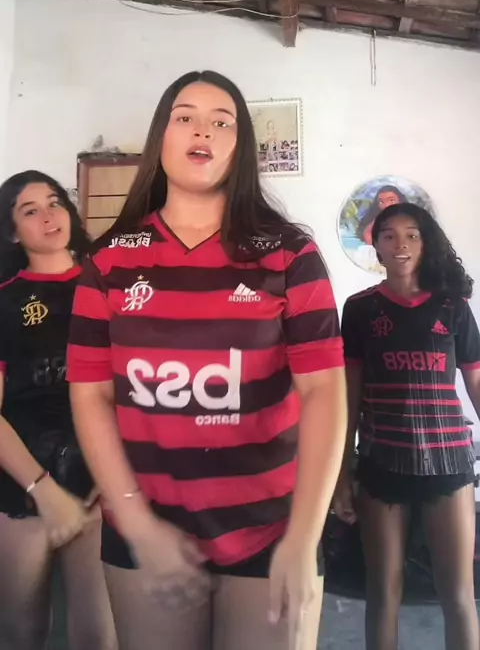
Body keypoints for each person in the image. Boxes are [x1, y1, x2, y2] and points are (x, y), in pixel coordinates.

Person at [67, 70, 347, 650]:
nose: (203, 131)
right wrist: (138, 525)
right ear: (161, 138)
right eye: (186, 117)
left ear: (241, 147)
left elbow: (324, 391)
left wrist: (304, 535)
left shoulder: (290, 254)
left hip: (269, 528)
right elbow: (91, 395)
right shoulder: (109, 261)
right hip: (145, 530)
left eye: (223, 122)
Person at [335, 202, 480, 650]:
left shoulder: (453, 307)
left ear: (425, 243)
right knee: (383, 592)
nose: (401, 244)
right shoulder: (360, 309)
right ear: (376, 246)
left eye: (412, 235)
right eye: (389, 236)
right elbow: (349, 394)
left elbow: (475, 382)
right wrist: (342, 473)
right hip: (382, 466)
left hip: (449, 465)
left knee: (458, 595)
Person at [0, 171, 117, 650]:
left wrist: (111, 476)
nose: (49, 216)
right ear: (12, 232)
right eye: (30, 211)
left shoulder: (110, 287)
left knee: (99, 636)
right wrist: (42, 489)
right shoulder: (5, 301)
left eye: (55, 203)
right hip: (23, 485)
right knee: (22, 631)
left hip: (100, 483)